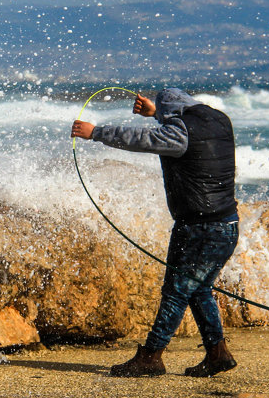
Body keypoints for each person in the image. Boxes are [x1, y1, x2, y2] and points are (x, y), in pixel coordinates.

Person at [71, 88, 238, 378]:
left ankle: (151, 356)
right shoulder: (219, 120)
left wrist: (95, 132)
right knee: (198, 290)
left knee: (175, 292)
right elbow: (179, 127)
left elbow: (141, 139)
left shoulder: (178, 134)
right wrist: (157, 113)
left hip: (199, 228)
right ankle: (218, 353)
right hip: (228, 224)